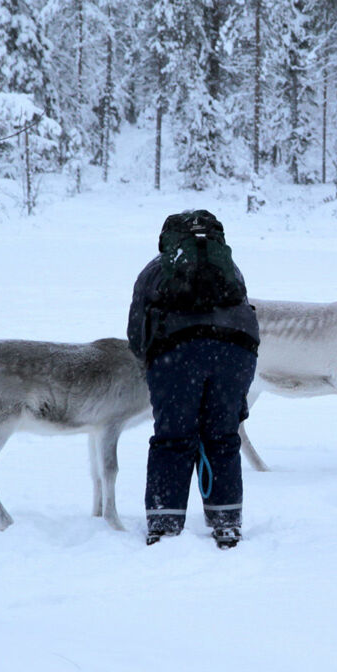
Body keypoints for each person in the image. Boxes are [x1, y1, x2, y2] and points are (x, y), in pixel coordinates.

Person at [126, 210, 259, 548]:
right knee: (222, 435)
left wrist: (158, 367)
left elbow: (136, 335)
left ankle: (164, 523)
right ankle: (226, 522)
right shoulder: (231, 269)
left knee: (173, 437)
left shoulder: (155, 270)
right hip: (236, 351)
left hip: (176, 352)